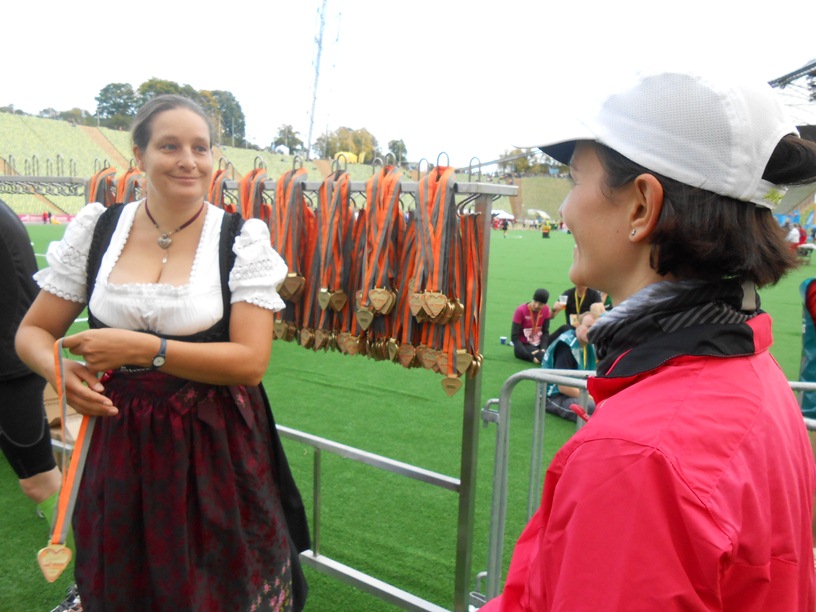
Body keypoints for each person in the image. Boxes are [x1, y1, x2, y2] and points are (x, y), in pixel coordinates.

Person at [481, 70, 816, 610]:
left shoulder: (638, 455)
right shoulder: (754, 377)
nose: (564, 210)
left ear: (641, 206)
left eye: (574, 180)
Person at [16, 95, 309, 611]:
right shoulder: (99, 230)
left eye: (200, 148)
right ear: (139, 155)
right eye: (170, 146)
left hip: (213, 442)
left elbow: (250, 362)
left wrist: (146, 348)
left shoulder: (241, 239)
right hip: (118, 437)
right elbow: (33, 331)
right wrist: (59, 371)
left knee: (214, 580)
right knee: (125, 573)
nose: (188, 161)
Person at [540, 311, 597, 422]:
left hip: (577, 390)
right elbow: (563, 387)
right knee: (592, 406)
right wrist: (593, 397)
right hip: (554, 396)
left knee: (609, 400)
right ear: (578, 325)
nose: (592, 332)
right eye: (589, 327)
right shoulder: (566, 345)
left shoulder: (589, 344)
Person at [510, 288, 560, 363]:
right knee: (545, 356)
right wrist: (529, 357)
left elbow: (545, 332)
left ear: (544, 304)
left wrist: (543, 348)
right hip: (525, 345)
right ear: (532, 299)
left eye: (540, 304)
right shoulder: (520, 310)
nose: (536, 306)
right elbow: (514, 338)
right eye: (535, 302)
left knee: (565, 328)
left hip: (539, 343)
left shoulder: (545, 309)